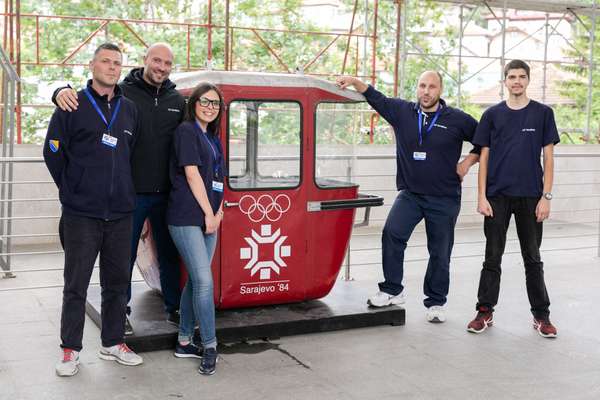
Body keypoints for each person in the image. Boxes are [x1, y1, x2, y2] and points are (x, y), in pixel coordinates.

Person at [53, 43, 185, 334]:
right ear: (144, 61)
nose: (161, 67)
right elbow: (91, 99)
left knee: (168, 254)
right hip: (130, 194)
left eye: (167, 63)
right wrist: (59, 90)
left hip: (165, 194)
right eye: (157, 60)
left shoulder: (177, 100)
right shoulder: (125, 92)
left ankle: (174, 308)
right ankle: (119, 313)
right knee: (120, 260)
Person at [336, 72, 479, 323]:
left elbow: (485, 140)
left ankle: (435, 302)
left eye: (432, 87)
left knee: (440, 251)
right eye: (422, 86)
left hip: (444, 197)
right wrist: (354, 82)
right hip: (411, 194)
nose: (426, 91)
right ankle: (392, 290)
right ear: (417, 89)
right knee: (392, 233)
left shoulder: (457, 119)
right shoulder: (403, 112)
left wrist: (467, 163)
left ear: (440, 90)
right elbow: (375, 98)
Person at [44, 43, 143, 377]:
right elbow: (53, 152)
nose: (112, 67)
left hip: (120, 213)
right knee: (76, 284)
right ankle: (70, 350)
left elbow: (131, 155)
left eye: (117, 63)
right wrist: (73, 188)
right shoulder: (71, 104)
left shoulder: (129, 109)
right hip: (81, 214)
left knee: (117, 282)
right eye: (106, 61)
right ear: (92, 65)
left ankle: (113, 342)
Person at [467, 60, 559, 338]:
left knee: (533, 257)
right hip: (497, 197)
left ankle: (541, 316)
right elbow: (484, 158)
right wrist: (481, 196)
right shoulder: (492, 115)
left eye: (521, 76)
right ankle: (485, 311)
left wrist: (547, 197)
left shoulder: (543, 113)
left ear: (528, 80)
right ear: (504, 81)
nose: (516, 81)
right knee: (492, 257)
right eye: (512, 77)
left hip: (531, 197)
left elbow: (549, 158)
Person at [167, 82, 225, 375]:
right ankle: (211, 345)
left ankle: (184, 341)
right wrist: (208, 213)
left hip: (210, 218)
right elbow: (191, 174)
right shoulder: (186, 131)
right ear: (194, 103)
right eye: (205, 101)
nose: (209, 107)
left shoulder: (213, 137)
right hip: (187, 217)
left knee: (194, 282)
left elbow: (218, 178)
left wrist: (219, 210)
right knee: (204, 282)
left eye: (215, 103)